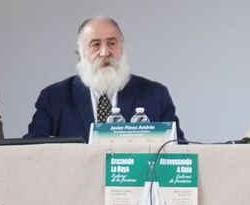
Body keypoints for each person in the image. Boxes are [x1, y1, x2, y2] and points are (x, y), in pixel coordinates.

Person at [25, 16, 184, 141]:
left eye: (112, 43)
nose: (104, 52)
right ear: (80, 52)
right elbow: (33, 150)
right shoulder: (54, 98)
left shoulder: (156, 95)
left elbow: (178, 150)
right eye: (95, 44)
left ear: (122, 47)